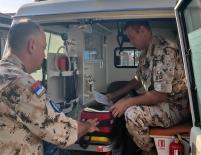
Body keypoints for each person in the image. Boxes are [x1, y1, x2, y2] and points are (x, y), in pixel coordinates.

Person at [0, 20, 99, 155]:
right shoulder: (20, 83)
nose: (45, 55)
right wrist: (88, 126)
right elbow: (61, 132)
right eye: (43, 48)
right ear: (32, 46)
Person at [108, 20, 190, 152]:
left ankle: (150, 151)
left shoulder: (164, 51)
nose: (131, 41)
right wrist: (115, 95)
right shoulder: (145, 54)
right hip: (160, 104)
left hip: (175, 107)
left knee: (132, 114)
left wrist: (127, 102)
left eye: (132, 37)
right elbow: (137, 79)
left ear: (142, 30)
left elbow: (159, 96)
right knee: (125, 104)